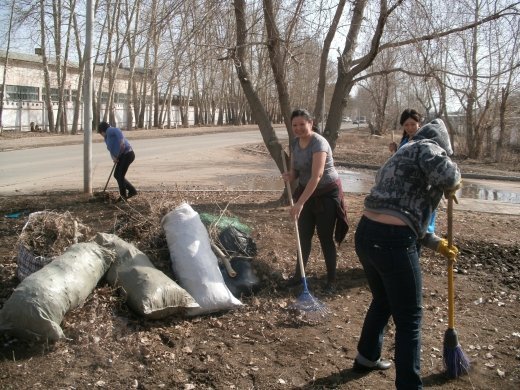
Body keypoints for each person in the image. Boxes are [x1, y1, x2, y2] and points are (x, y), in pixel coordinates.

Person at [353, 117, 461, 389]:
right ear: (442, 144)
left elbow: (402, 211)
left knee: (383, 300)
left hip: (366, 234)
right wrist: (453, 180)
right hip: (393, 241)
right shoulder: (429, 147)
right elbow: (449, 175)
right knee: (410, 318)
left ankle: (367, 356)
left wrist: (436, 243)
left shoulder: (401, 155)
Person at [282, 109, 349, 294]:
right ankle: (298, 276)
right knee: (303, 235)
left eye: (302, 124)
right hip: (307, 191)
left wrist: (300, 203)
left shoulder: (319, 143)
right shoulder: (295, 143)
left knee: (325, 236)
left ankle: (331, 280)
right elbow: (297, 171)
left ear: (310, 123)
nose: (298, 128)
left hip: (326, 193)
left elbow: (316, 176)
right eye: (294, 125)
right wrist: (290, 175)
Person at [97, 121, 137, 202]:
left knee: (120, 175)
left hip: (127, 154)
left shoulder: (110, 130)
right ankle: (132, 190)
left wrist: (121, 141)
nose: (101, 135)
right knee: (116, 175)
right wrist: (113, 158)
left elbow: (118, 131)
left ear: (102, 131)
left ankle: (123, 196)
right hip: (121, 156)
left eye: (100, 133)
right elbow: (110, 149)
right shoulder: (106, 138)